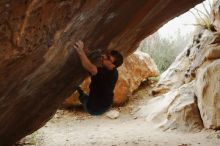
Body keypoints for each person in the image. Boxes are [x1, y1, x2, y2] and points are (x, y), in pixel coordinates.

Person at [74, 40, 123, 115]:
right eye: (107, 54)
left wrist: (80, 51)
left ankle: (79, 91)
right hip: (107, 105)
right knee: (86, 95)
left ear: (113, 65)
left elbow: (90, 67)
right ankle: (80, 91)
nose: (104, 56)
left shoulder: (103, 74)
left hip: (94, 109)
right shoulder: (114, 71)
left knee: (83, 97)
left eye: (108, 58)